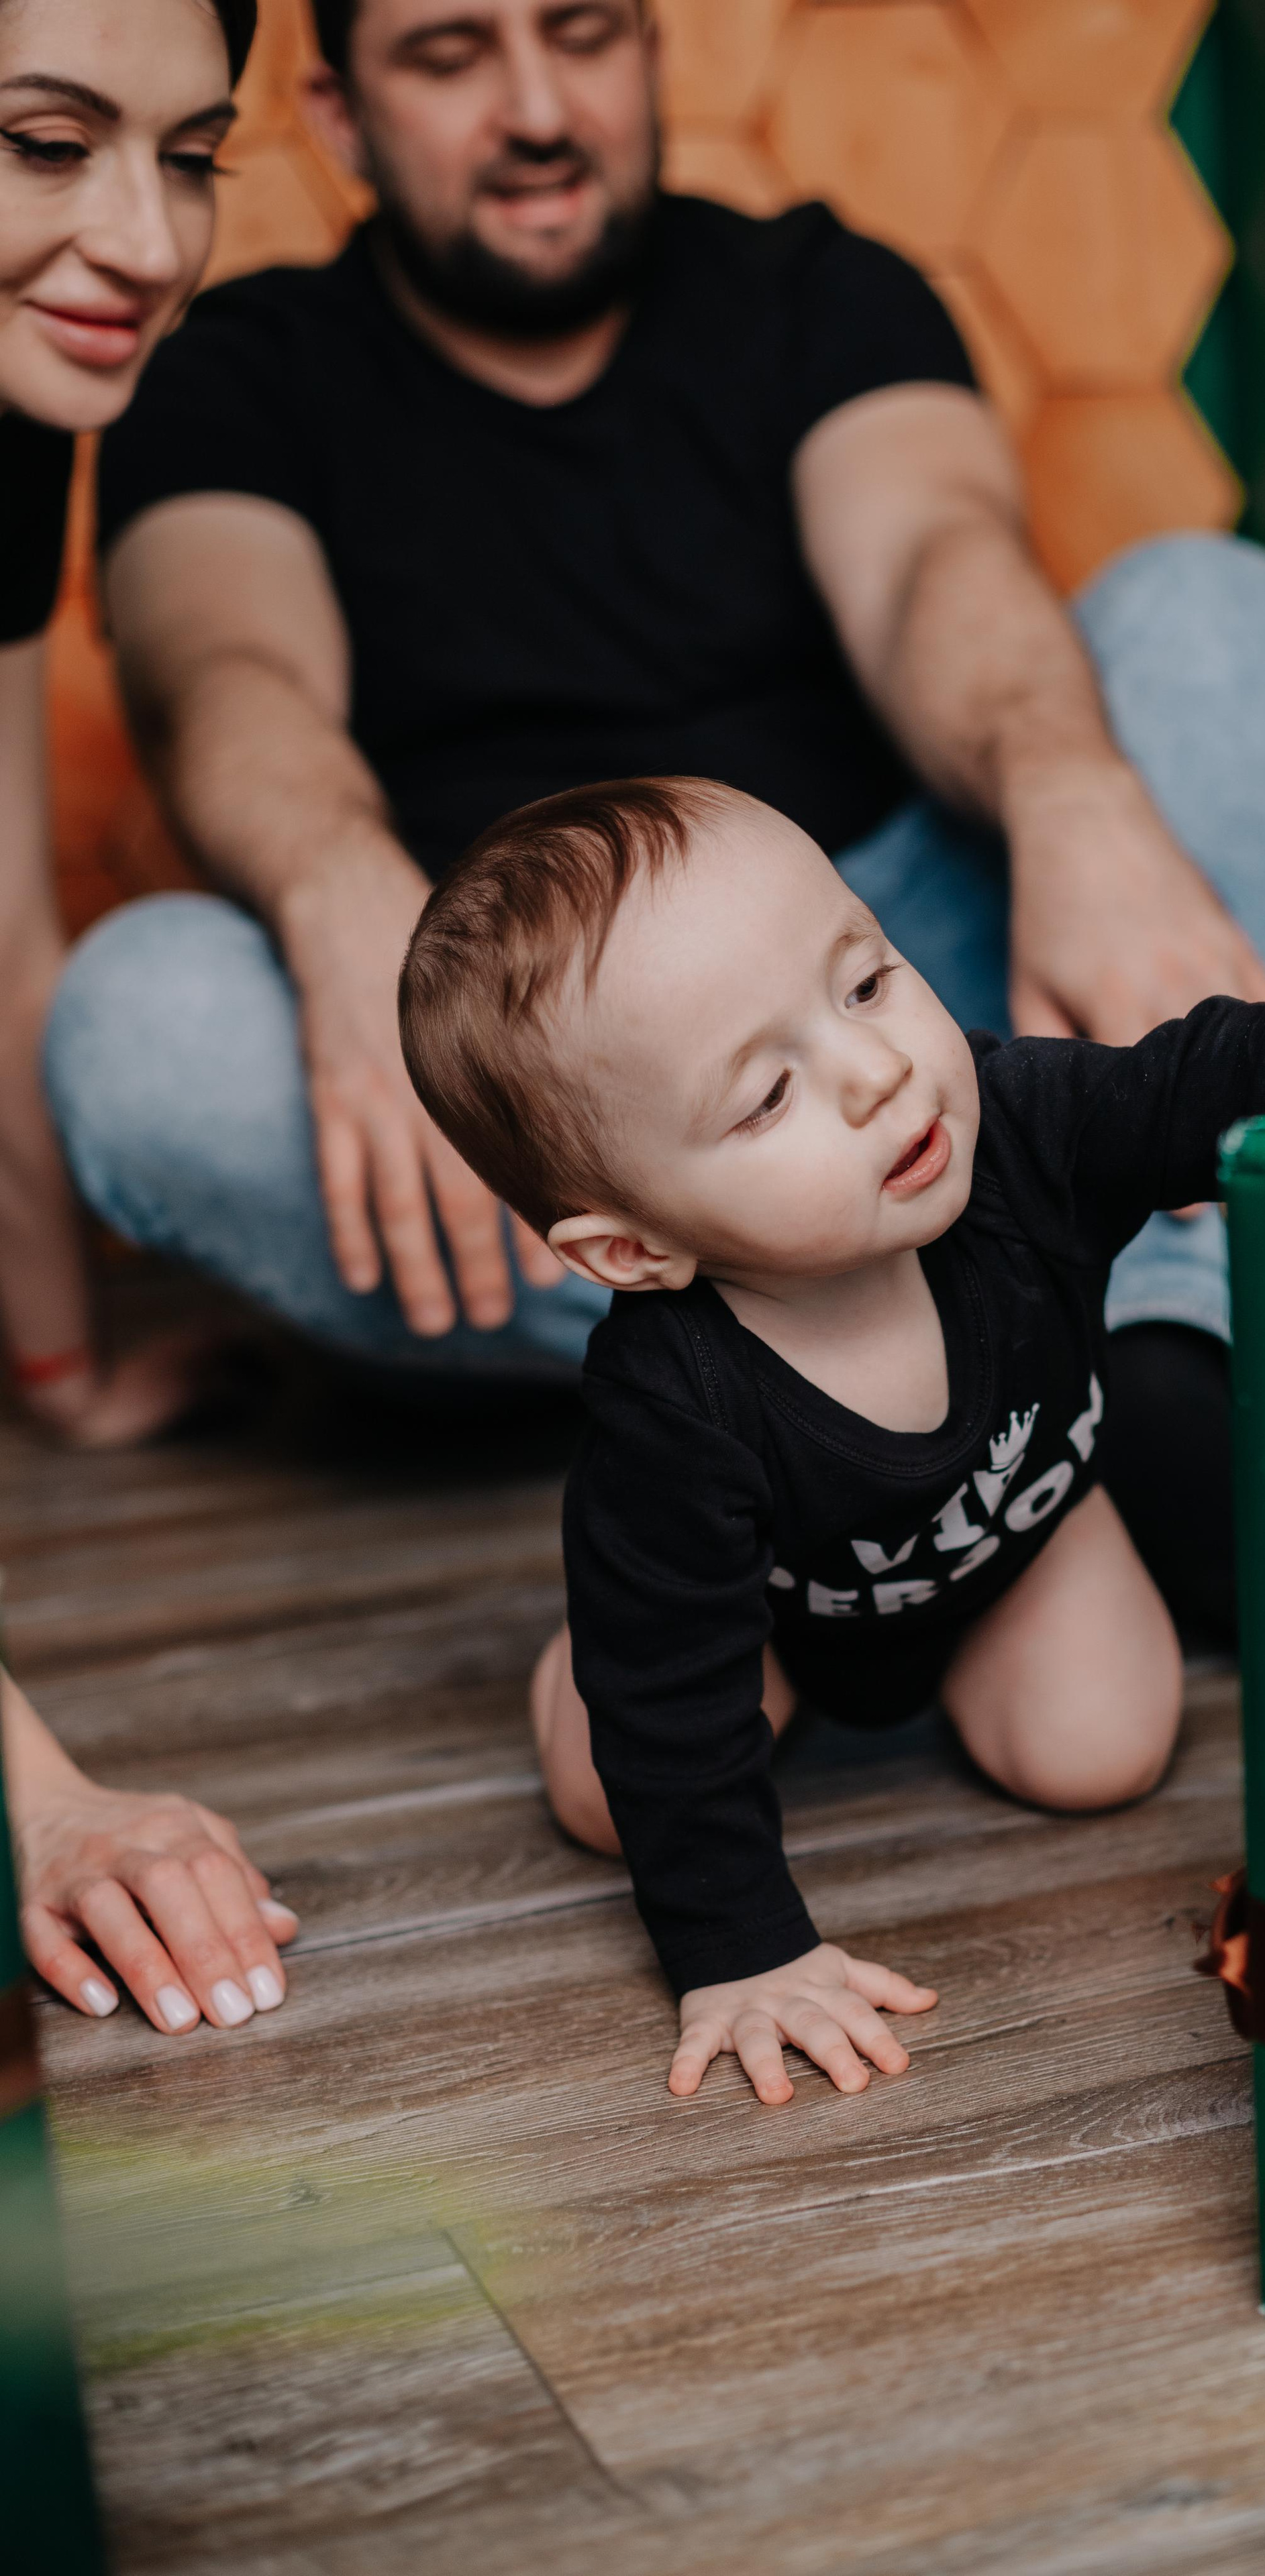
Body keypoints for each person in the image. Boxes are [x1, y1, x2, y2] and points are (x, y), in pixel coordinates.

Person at [46, 0, 1265, 1646]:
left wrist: (1069, 796)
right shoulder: (237, 369)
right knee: (134, 1021)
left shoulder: (820, 291)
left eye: (583, 34)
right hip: (571, 1093)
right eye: (451, 57)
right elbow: (220, 673)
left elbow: (929, 559)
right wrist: (336, 900)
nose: (537, 108)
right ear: (337, 110)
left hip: (903, 979)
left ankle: (1173, 1357)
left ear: (651, 50)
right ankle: (760, 1390)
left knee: (1219, 611)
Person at [397, 776, 1265, 2105]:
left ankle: (1055, 1537)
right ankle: (598, 1645)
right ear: (632, 1248)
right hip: (769, 1615)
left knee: (1098, 1753)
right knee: (615, 1783)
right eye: (767, 1096)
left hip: (1016, 1537)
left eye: (866, 982)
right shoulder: (672, 1412)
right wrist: (742, 1955)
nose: (877, 1071)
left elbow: (1198, 1073)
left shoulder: (1016, 1134)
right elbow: (669, 1730)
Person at [0, 0, 296, 2035]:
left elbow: (2, 926)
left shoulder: (21, 426)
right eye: (42, 142)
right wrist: (29, 1801)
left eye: (191, 154)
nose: (147, 240)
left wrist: (52, 1361)